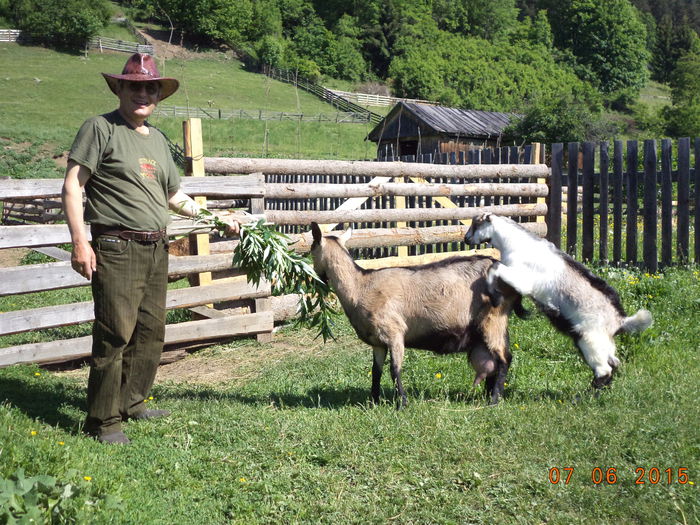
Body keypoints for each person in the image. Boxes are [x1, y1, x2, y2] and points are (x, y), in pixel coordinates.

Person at [62, 53, 239, 444]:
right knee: (115, 334)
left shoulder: (157, 139)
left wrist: (215, 218)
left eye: (150, 87)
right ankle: (104, 421)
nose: (142, 93)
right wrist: (80, 242)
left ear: (158, 94)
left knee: (150, 332)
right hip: (116, 245)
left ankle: (132, 402)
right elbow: (74, 185)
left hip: (156, 247)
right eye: (135, 86)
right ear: (120, 88)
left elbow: (174, 195)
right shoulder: (101, 129)